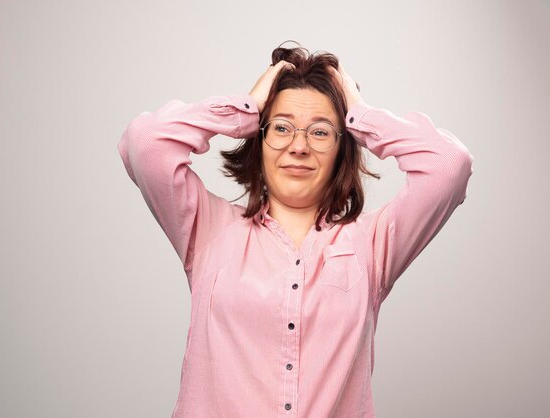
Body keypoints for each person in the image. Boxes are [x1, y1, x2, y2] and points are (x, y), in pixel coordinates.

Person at [117, 42, 474, 418]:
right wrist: (245, 109)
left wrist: (360, 113)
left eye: (320, 133)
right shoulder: (208, 230)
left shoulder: (371, 244)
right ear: (260, 140)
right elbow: (145, 143)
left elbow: (449, 165)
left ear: (341, 149)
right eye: (282, 128)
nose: (299, 146)